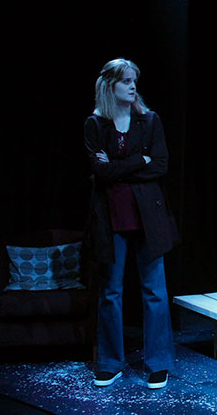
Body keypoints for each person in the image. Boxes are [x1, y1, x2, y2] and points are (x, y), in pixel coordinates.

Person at [84, 58, 179, 390]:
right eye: (125, 81)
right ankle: (110, 363)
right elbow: (101, 172)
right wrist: (140, 160)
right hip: (111, 217)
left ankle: (159, 362)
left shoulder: (149, 121)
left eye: (134, 80)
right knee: (111, 291)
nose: (132, 86)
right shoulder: (95, 125)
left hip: (148, 216)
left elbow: (161, 165)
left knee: (155, 290)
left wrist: (120, 167)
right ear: (110, 85)